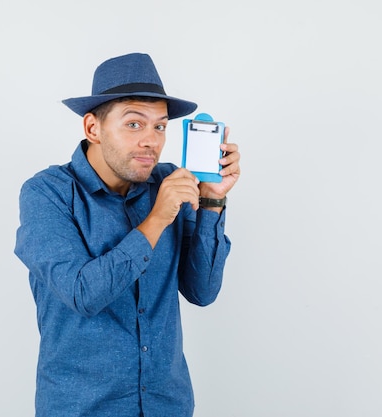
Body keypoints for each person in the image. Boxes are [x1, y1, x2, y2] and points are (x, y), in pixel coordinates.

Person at [14, 52, 241, 417]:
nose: (151, 141)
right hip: (83, 407)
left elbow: (202, 292)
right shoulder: (47, 194)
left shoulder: (170, 183)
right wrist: (155, 220)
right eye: (134, 125)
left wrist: (212, 201)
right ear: (93, 129)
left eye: (160, 126)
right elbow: (83, 293)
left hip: (166, 406)